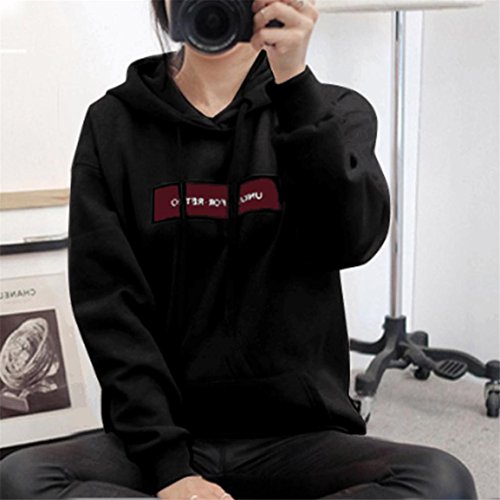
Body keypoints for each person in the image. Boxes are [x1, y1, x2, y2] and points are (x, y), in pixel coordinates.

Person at [0, 0, 479, 498]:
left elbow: (352, 241)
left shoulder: (331, 109)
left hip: (298, 438)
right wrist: (171, 471)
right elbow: (111, 309)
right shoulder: (113, 124)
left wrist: (294, 84)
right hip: (165, 441)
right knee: (22, 479)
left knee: (440, 481)